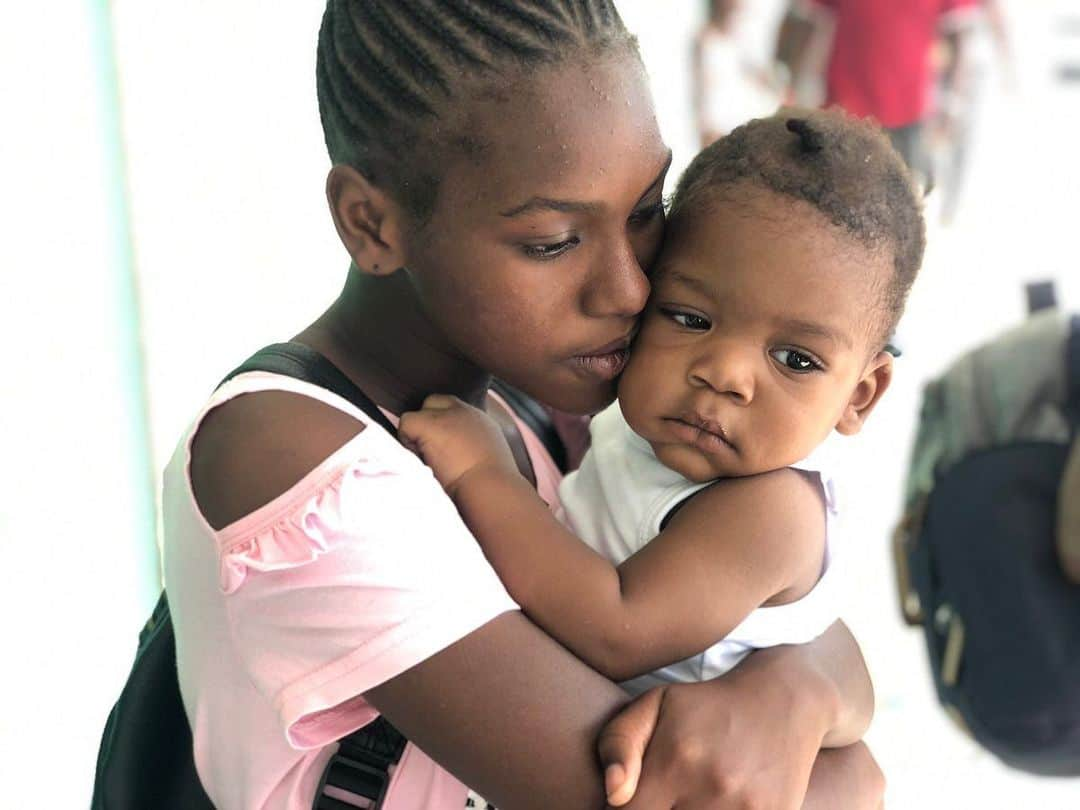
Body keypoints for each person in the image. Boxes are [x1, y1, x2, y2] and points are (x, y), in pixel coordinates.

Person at [167, 2, 886, 808]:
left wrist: (795, 691)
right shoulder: (284, 455)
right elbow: (670, 795)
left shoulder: (539, 409)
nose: (630, 288)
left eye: (647, 213)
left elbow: (804, 646)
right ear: (371, 223)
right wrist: (823, 745)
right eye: (551, 242)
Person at [400, 107, 922, 805]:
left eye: (795, 359)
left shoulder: (773, 510)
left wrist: (482, 474)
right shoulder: (648, 425)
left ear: (859, 396)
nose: (726, 374)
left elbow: (616, 627)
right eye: (690, 317)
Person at [776, 0, 981, 187]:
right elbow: (808, 20)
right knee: (829, 196)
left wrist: (952, 105)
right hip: (842, 109)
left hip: (907, 115)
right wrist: (791, 86)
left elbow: (959, 36)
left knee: (898, 204)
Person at [693, 0, 783, 147]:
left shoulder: (740, 44)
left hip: (753, 128)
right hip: (726, 136)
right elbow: (706, 105)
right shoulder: (707, 43)